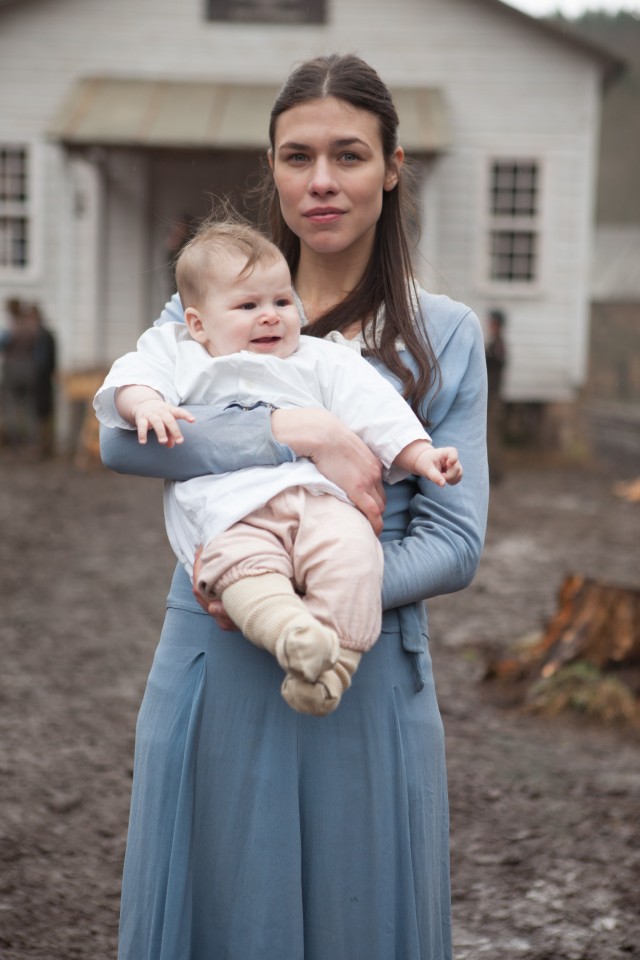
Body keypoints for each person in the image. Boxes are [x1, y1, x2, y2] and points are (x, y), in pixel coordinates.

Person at [100, 53, 488, 960]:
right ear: (271, 167)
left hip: (364, 663)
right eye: (296, 156)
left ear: (393, 167)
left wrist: (311, 604)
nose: (321, 181)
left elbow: (455, 543)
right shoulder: (206, 309)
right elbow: (123, 440)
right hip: (214, 646)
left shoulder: (445, 336)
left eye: (349, 155)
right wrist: (298, 428)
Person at [94, 218, 463, 716]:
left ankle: (335, 664)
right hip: (230, 508)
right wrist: (144, 405)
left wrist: (421, 454)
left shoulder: (320, 359)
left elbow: (378, 410)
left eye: (282, 303)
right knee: (244, 568)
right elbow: (133, 377)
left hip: (318, 501)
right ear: (199, 323)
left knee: (356, 555)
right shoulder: (179, 349)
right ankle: (292, 633)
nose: (270, 317)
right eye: (248, 306)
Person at [0, 298, 56, 457]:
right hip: (30, 371)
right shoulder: (32, 329)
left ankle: (15, 444)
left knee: (10, 407)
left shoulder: (11, 329)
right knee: (30, 408)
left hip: (12, 370)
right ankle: (32, 443)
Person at [485, 308, 508, 483]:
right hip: (492, 397)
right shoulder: (495, 344)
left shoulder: (498, 345)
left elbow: (494, 361)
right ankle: (494, 472)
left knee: (492, 436)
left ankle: (495, 474)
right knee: (490, 435)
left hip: (493, 398)